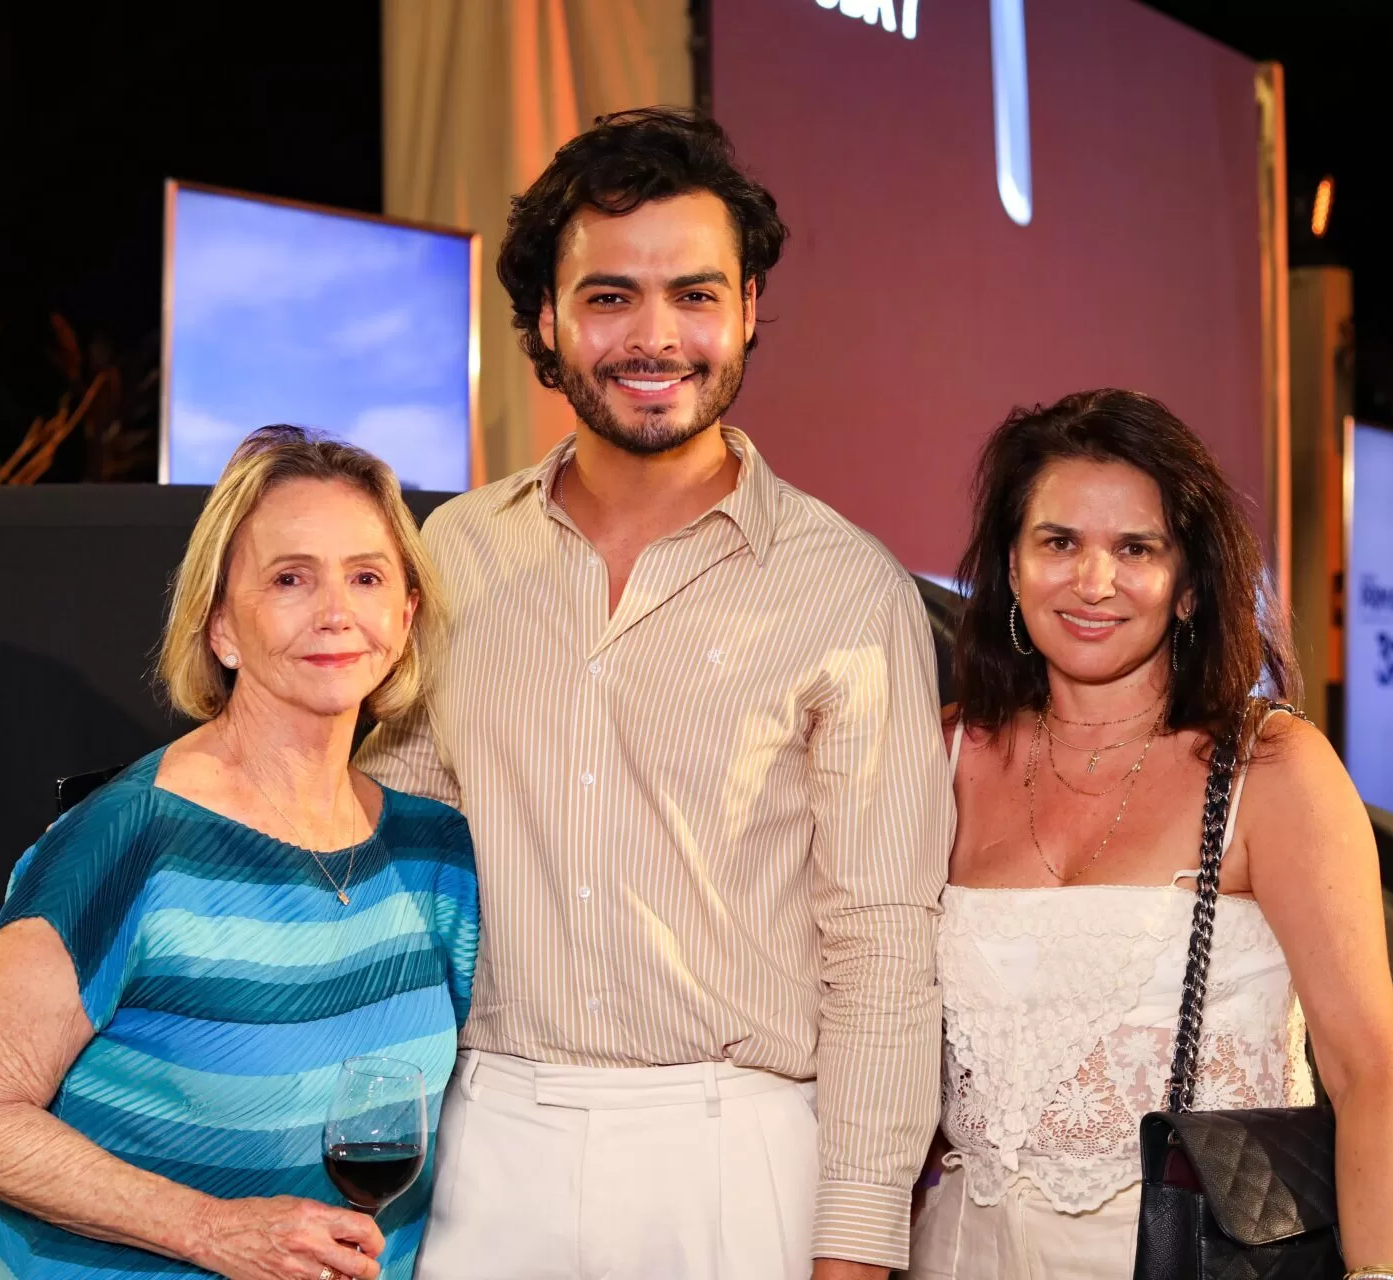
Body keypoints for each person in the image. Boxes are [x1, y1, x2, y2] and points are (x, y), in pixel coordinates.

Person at [356, 107, 953, 1280]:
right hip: (485, 1141)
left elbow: (883, 946)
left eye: (694, 294)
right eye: (610, 296)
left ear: (747, 308)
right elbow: (395, 860)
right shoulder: (453, 554)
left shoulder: (848, 588)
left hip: (739, 1156)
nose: (655, 335)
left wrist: (857, 1238)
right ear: (546, 319)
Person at [0, 428, 478, 1280]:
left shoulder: (435, 851)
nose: (335, 611)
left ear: (404, 618)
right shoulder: (128, 840)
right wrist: (215, 1231)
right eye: (290, 579)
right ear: (220, 627)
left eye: (366, 577)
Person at [910, 390, 1393, 1278]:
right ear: (1012, 566)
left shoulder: (1271, 769)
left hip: (1196, 1256)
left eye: (1135, 549)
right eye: (1058, 542)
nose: (1093, 582)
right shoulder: (944, 754)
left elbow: (1369, 1076)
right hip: (959, 1252)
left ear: (1188, 587)